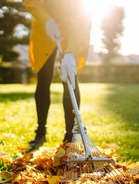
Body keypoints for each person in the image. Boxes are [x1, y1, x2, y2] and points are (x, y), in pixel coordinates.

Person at [23, 0, 91, 148]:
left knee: (70, 78)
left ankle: (70, 134)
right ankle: (40, 131)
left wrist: (71, 54)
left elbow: (82, 21)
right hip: (45, 27)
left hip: (73, 31)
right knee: (43, 77)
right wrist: (46, 20)